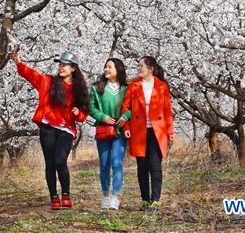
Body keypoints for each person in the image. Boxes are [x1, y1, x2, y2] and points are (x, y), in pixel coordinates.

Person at [10, 47, 89, 210]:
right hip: (48, 127)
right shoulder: (48, 82)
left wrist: (78, 113)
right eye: (60, 64)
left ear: (73, 68)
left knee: (60, 160)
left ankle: (66, 193)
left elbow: (83, 114)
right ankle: (54, 197)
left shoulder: (79, 89)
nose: (61, 67)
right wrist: (18, 62)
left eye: (65, 65)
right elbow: (32, 75)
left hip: (66, 129)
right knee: (50, 163)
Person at [118, 56, 173, 209]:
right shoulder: (134, 86)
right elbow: (125, 108)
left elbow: (167, 111)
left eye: (141, 65)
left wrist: (170, 131)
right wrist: (126, 128)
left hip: (157, 131)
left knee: (155, 166)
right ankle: (144, 199)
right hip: (138, 130)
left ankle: (155, 199)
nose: (138, 68)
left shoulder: (162, 86)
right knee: (142, 166)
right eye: (138, 65)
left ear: (151, 69)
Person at [89, 58, 130, 210]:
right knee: (104, 165)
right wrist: (102, 117)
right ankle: (106, 196)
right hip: (103, 131)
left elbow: (133, 105)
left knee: (117, 163)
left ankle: (116, 197)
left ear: (118, 69)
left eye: (110, 67)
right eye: (105, 67)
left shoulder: (126, 88)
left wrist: (125, 116)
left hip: (119, 132)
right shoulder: (96, 88)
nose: (106, 69)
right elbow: (91, 107)